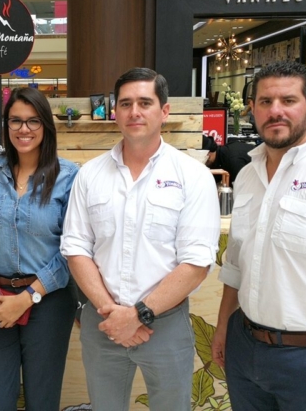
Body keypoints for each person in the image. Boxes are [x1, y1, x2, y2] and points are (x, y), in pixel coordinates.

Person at [60, 67, 220, 411]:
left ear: (164, 111)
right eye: (126, 103)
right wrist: (113, 313)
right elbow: (76, 248)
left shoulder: (192, 175)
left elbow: (196, 263)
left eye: (145, 103)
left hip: (165, 325)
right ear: (115, 112)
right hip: (103, 321)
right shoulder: (90, 175)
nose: (134, 111)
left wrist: (138, 315)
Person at [211, 61, 306, 411]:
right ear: (252, 108)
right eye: (265, 101)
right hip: (244, 346)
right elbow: (237, 265)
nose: (275, 111)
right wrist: (223, 328)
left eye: (288, 100)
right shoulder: (248, 175)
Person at [0, 87, 79, 411]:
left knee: (42, 400)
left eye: (33, 121)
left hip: (49, 302)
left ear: (46, 125)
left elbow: (72, 248)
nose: (24, 129)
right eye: (15, 121)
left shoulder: (69, 176)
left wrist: (28, 297)